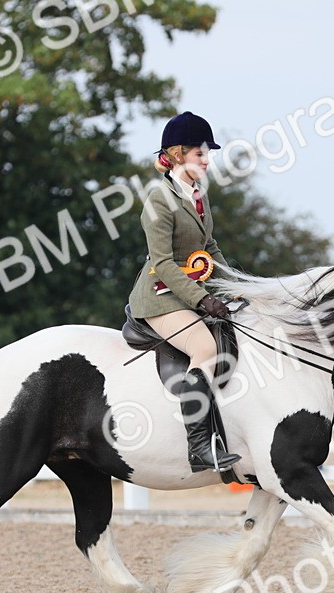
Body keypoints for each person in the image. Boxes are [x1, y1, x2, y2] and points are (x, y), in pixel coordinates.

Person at [128, 111, 241, 473]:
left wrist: (235, 284)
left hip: (187, 292)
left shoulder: (198, 197)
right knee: (205, 349)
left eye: (208, 154)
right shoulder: (158, 200)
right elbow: (162, 263)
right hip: (159, 297)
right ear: (177, 155)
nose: (208, 161)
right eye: (200, 154)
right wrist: (202, 299)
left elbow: (210, 247)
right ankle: (199, 448)